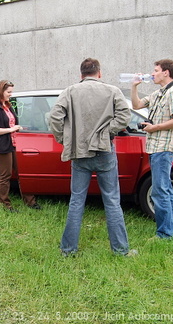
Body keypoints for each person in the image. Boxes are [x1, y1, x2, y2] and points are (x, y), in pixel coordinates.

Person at [49, 58, 134, 256]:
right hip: (104, 151)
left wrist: (63, 139)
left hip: (80, 153)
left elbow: (54, 117)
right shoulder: (112, 91)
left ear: (81, 74)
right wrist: (106, 133)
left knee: (77, 201)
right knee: (112, 200)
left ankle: (68, 250)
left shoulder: (70, 91)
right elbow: (124, 116)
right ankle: (121, 250)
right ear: (99, 73)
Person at [131, 59, 173, 239]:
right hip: (155, 147)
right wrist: (135, 86)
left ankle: (164, 233)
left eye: (155, 71)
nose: (152, 74)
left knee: (159, 191)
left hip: (164, 148)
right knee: (166, 189)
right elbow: (136, 105)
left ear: (166, 73)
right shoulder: (157, 93)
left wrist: (154, 127)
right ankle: (172, 228)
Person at [0, 80, 40, 212]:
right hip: (1, 147)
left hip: (14, 144)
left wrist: (20, 128)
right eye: (8, 92)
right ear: (0, 91)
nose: (11, 94)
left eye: (11, 92)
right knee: (5, 175)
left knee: (22, 172)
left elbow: (11, 123)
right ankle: (4, 205)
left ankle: (30, 201)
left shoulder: (8, 106)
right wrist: (10, 130)